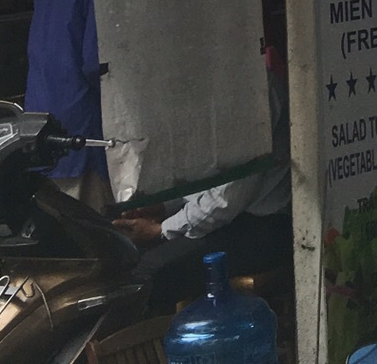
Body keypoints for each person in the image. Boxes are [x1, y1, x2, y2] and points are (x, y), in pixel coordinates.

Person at [114, 59, 292, 311]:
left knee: (148, 273)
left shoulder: (249, 93)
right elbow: (204, 176)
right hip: (231, 216)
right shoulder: (209, 90)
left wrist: (161, 230)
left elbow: (227, 200)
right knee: (123, 257)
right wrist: (163, 207)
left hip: (264, 225)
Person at [24, 0, 113, 214]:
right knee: (97, 230)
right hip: (83, 132)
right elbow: (97, 63)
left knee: (60, 224)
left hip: (41, 127)